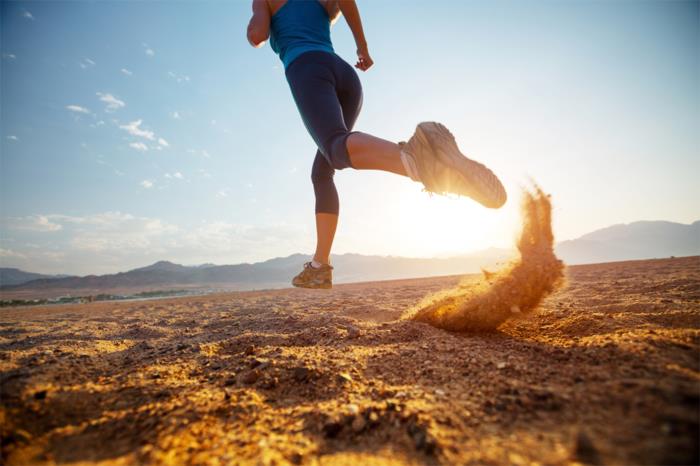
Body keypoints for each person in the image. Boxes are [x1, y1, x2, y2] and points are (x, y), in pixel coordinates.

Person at [247, 0, 506, 289]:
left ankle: (416, 158)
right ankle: (320, 265)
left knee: (335, 146)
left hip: (306, 67)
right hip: (346, 77)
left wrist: (257, 20)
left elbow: (257, 35)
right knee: (322, 171)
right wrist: (362, 47)